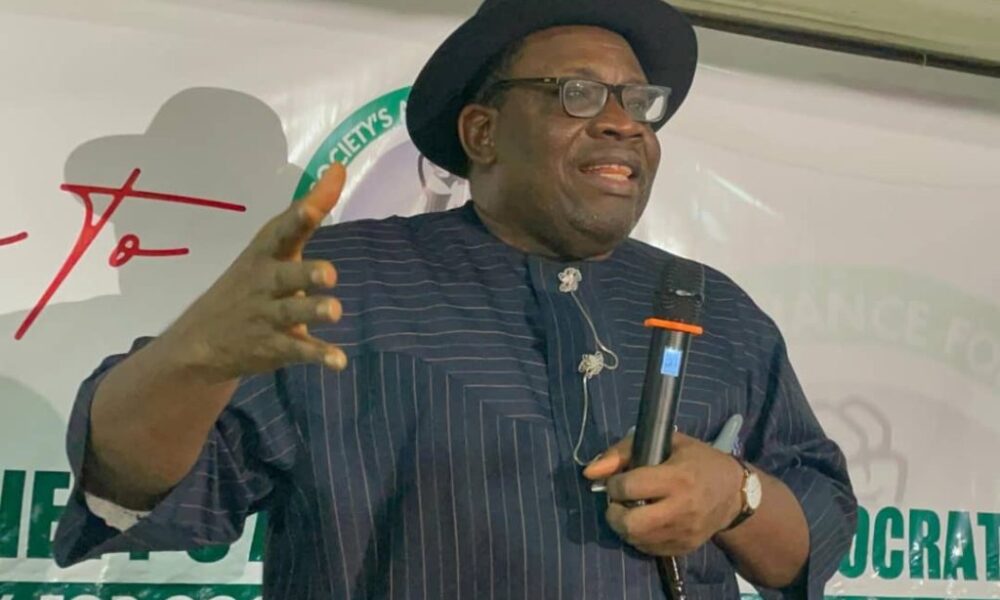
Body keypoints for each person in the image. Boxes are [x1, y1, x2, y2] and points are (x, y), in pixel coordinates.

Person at [53, 0, 857, 598]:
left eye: (638, 102)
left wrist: (736, 494)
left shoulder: (718, 310)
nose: (624, 124)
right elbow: (126, 491)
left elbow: (814, 533)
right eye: (579, 93)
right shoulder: (343, 282)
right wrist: (190, 360)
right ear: (482, 133)